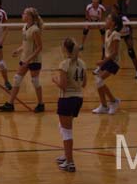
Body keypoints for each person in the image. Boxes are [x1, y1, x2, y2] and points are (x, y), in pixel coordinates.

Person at [0, 8, 44, 113]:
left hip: (34, 60)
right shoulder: (24, 27)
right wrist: (18, 50)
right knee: (17, 79)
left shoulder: (35, 30)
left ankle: (41, 104)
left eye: (24, 14)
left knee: (35, 81)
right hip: (24, 59)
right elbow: (25, 43)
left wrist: (29, 59)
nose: (22, 15)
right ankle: (10, 104)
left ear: (30, 16)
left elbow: (39, 47)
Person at [52, 38, 86, 172]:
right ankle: (67, 156)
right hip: (78, 99)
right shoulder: (82, 63)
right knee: (64, 126)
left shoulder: (64, 64)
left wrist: (55, 80)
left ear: (65, 49)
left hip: (66, 99)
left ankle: (70, 163)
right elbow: (84, 83)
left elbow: (64, 86)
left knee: (67, 132)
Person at [92, 13, 123, 115]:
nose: (106, 20)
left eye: (108, 19)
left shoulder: (116, 35)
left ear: (113, 22)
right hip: (107, 60)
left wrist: (102, 62)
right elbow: (107, 51)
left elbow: (114, 53)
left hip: (113, 62)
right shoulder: (107, 32)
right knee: (97, 80)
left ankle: (114, 101)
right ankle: (104, 106)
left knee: (99, 80)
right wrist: (102, 63)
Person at [111, 4, 137, 79]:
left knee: (131, 52)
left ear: (117, 10)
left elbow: (130, 26)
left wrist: (131, 37)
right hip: (118, 35)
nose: (112, 11)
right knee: (111, 51)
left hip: (126, 34)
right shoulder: (112, 18)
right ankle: (102, 68)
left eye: (113, 9)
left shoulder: (124, 18)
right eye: (112, 9)